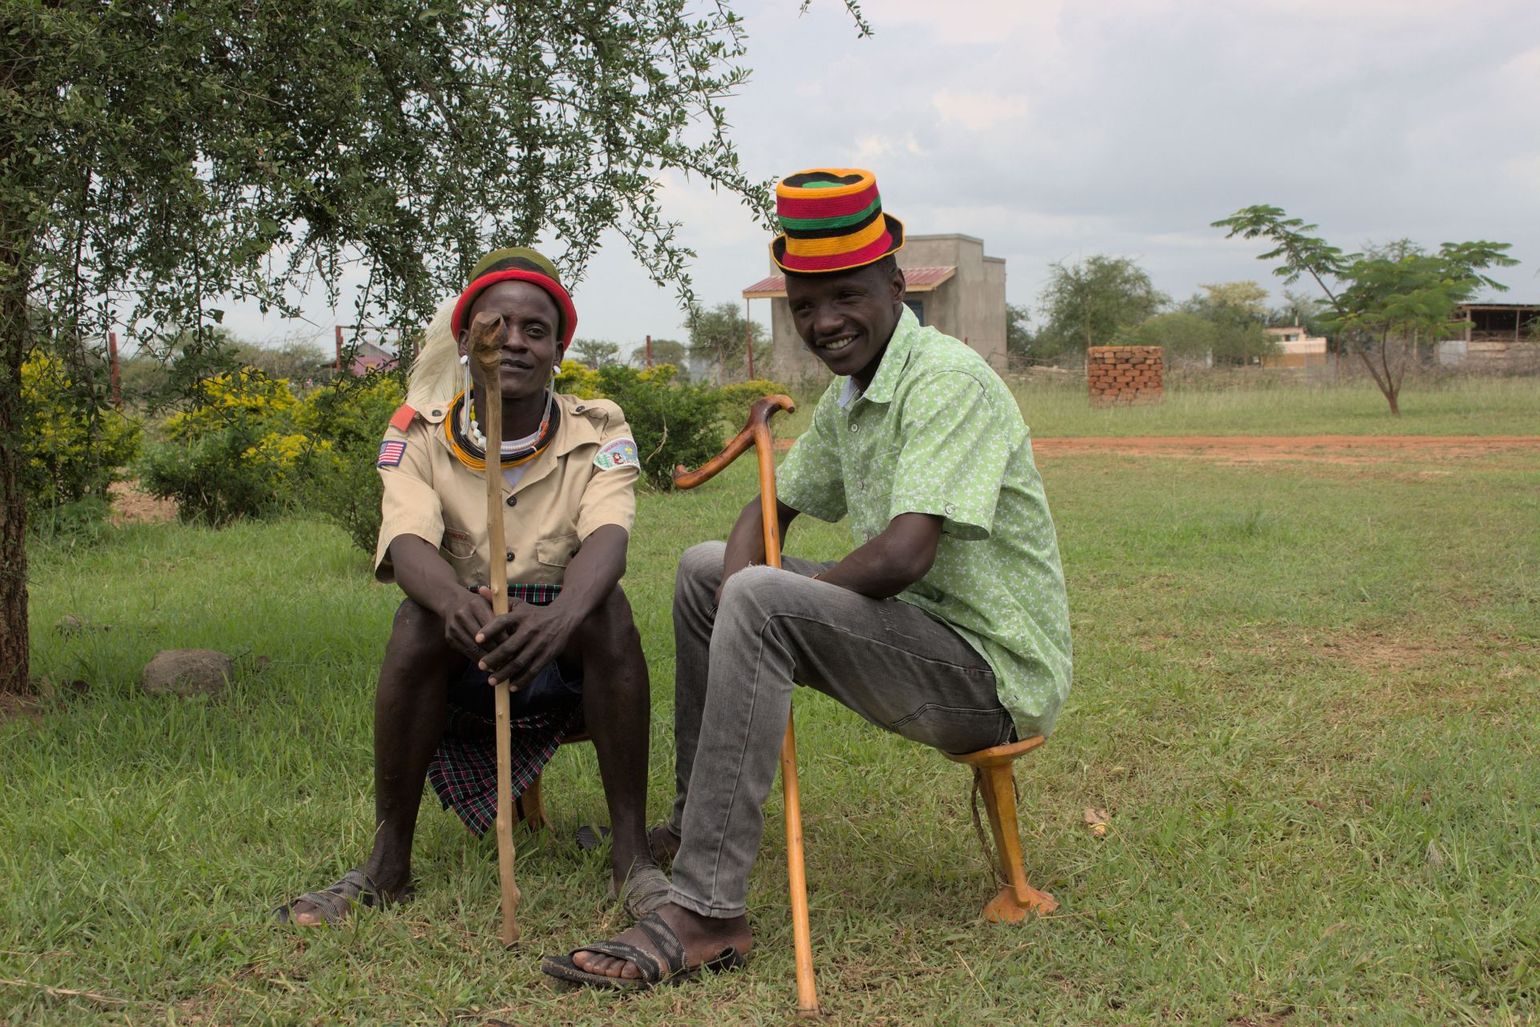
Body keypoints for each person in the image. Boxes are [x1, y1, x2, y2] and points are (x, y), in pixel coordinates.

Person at [542, 169, 1072, 989]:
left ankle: (708, 912)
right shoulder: (855, 393)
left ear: (897, 284)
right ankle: (693, 826)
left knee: (750, 591)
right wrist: (747, 581)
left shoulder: (945, 380)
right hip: (917, 636)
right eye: (806, 305)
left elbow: (903, 555)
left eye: (847, 297)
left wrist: (763, 598)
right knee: (704, 572)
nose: (825, 323)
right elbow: (776, 505)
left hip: (989, 673)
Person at [276, 247, 667, 925]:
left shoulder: (600, 428)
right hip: (467, 661)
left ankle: (633, 861)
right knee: (415, 620)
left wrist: (561, 615)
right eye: (495, 326)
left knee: (608, 612)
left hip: (566, 669)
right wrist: (458, 606)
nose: (514, 341)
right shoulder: (417, 436)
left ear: (558, 348)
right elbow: (406, 541)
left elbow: (609, 535)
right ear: (463, 340)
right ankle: (386, 866)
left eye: (535, 330)